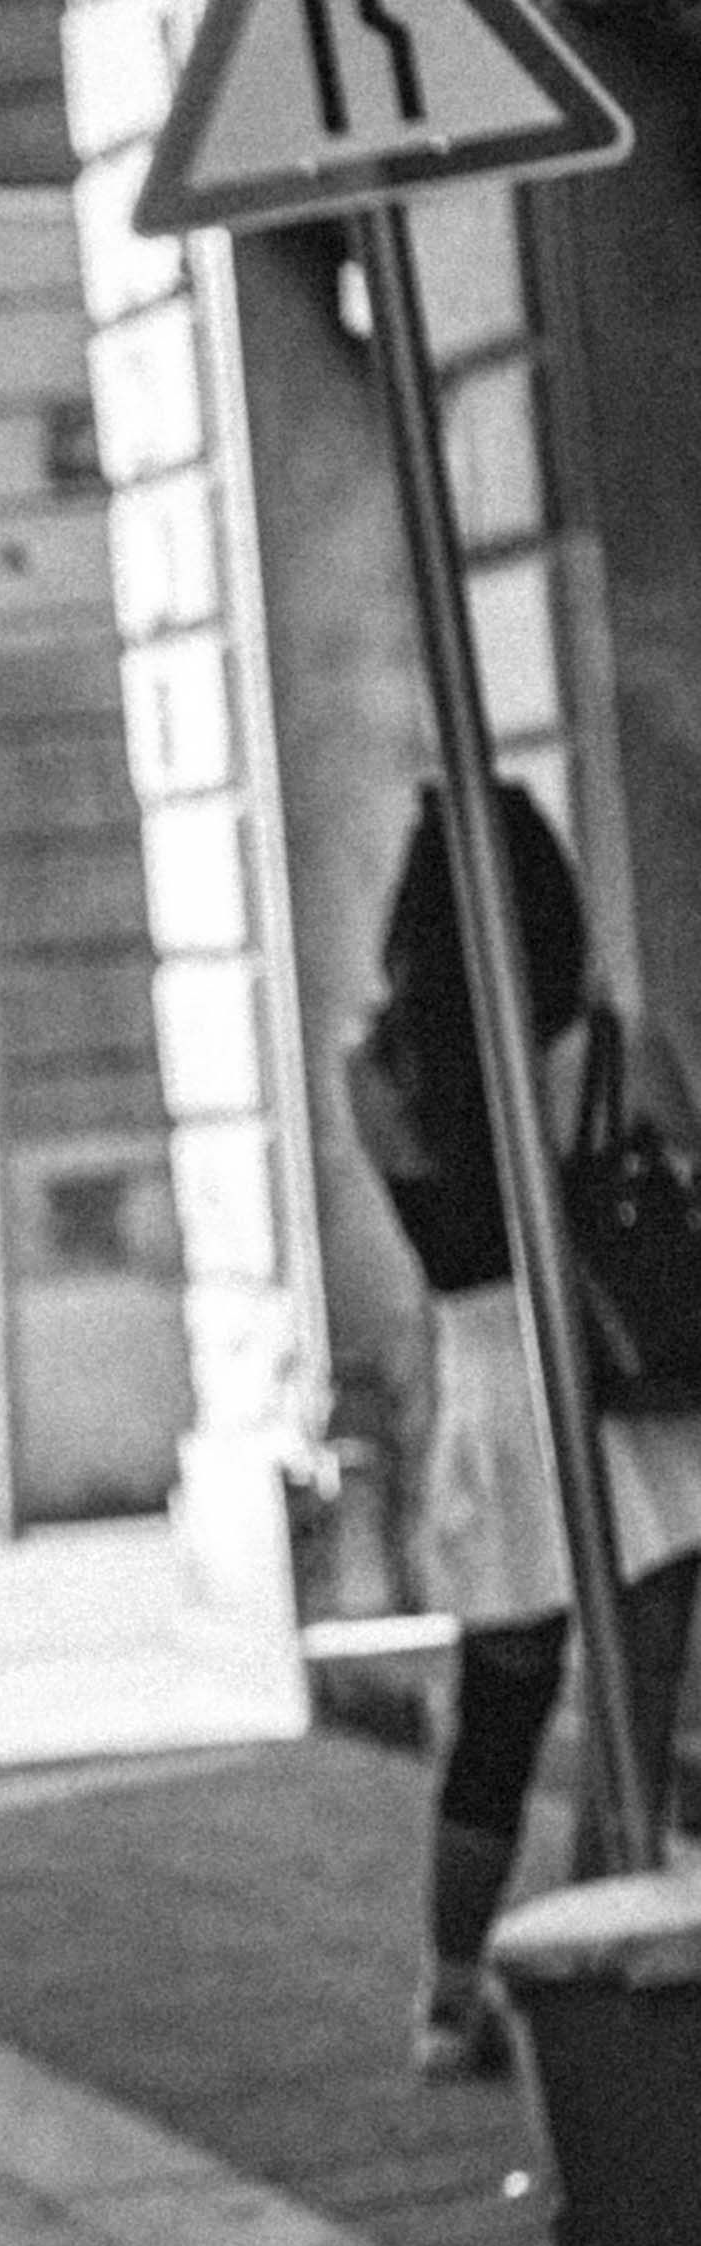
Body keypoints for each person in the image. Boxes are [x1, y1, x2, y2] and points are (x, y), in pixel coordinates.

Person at [349, 779, 701, 2075]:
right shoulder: (608, 1050)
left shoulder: (380, 1076)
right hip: (619, 1405)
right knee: (629, 1727)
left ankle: (448, 1999)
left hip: (489, 1401)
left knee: (497, 1713)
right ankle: (601, 2004)